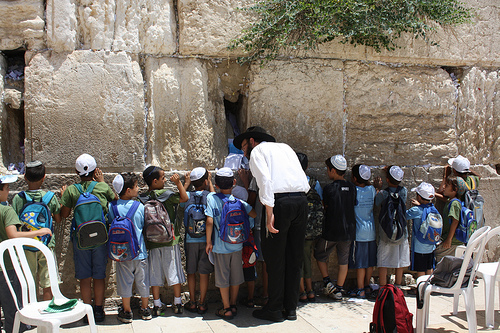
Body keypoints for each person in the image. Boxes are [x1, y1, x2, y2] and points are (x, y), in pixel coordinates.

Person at [233, 126, 309, 322]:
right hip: (301, 201)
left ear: (251, 141)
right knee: (294, 257)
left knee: (275, 259)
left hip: (279, 203)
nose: (243, 153)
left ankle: (274, 308)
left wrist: (269, 212)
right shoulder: (285, 148)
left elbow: (265, 182)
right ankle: (290, 308)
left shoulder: (258, 152)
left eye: (243, 147)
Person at [60, 153, 117, 322]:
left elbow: (64, 214)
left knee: (85, 277)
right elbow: (114, 200)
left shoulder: (71, 190)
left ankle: (87, 312)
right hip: (100, 238)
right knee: (99, 275)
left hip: (81, 239)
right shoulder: (102, 187)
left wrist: (63, 196)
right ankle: (99, 310)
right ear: (95, 170)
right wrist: (102, 183)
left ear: (76, 172)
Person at [0, 174, 52, 333]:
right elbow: (13, 235)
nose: (9, 190)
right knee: (12, 310)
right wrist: (39, 232)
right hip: (7, 265)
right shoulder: (6, 211)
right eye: (6, 187)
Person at [204, 167, 256, 320]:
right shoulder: (239, 202)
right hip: (237, 245)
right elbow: (253, 213)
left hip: (220, 246)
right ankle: (233, 304)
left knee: (223, 277)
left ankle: (226, 308)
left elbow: (209, 221)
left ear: (217, 184)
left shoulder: (212, 199)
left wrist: (208, 242)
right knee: (236, 276)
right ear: (234, 182)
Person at [141, 166, 188, 316]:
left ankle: (156, 304)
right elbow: (184, 198)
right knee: (173, 270)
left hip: (152, 242)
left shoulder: (144, 197)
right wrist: (179, 183)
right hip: (170, 240)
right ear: (155, 181)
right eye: (163, 178)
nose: (166, 180)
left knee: (154, 273)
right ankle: (178, 302)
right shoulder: (166, 195)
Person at [12, 161, 61, 301]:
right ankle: (46, 311)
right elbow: (57, 219)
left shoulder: (18, 199)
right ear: (44, 178)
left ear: (25, 178)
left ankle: (30, 314)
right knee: (47, 282)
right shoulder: (50, 197)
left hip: (25, 245)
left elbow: (15, 223)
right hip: (46, 244)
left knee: (29, 281)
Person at [109, 173, 151, 323]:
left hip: (122, 253)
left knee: (125, 281)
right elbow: (142, 224)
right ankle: (145, 309)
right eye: (136, 186)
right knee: (143, 280)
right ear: (128, 190)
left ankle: (127, 311)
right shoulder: (139, 206)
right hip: (139, 251)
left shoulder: (112, 207)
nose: (138, 189)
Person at [313, 155, 356, 300]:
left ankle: (327, 282)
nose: (327, 172)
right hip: (348, 231)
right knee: (343, 260)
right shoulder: (351, 187)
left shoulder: (329, 188)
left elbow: (326, 206)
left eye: (328, 169)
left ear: (333, 170)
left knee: (320, 254)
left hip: (331, 230)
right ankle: (339, 288)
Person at [181, 167, 214, 314]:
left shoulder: (187, 196)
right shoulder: (210, 196)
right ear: (205, 181)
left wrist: (185, 183)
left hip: (190, 240)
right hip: (206, 240)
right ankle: (202, 303)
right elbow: (215, 198)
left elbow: (180, 198)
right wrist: (211, 182)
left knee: (191, 271)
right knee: (204, 272)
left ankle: (192, 301)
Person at [374, 165, 410, 287]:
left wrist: (377, 188)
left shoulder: (384, 193)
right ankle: (398, 285)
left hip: (386, 231)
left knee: (383, 260)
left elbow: (377, 202)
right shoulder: (404, 191)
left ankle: (383, 287)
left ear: (387, 180)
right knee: (399, 260)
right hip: (401, 231)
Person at [296, 152, 323, 303]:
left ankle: (303, 291)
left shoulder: (291, 182)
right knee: (307, 258)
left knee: (298, 260)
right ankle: (310, 289)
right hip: (311, 228)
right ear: (307, 166)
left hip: (297, 228)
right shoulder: (314, 183)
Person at [348, 164, 377, 298]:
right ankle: (367, 285)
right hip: (371, 230)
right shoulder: (372, 190)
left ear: (354, 178)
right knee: (370, 261)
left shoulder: (354, 190)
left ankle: (360, 289)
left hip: (359, 232)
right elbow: (373, 188)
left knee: (360, 263)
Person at [406, 182, 438, 277]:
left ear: (419, 197)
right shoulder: (433, 208)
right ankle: (428, 287)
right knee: (429, 268)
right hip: (431, 246)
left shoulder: (416, 210)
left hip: (419, 247)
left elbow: (404, 215)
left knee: (421, 270)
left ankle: (421, 288)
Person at [435, 175, 466, 263]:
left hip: (452, 242)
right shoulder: (451, 201)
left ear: (455, 190)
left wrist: (449, 239)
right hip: (452, 241)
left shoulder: (454, 204)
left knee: (441, 259)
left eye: (447, 185)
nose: (444, 187)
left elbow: (455, 221)